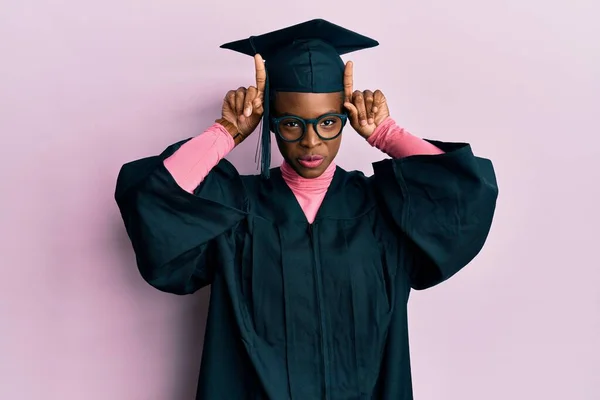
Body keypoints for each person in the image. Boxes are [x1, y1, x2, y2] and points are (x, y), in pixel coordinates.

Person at [115, 19, 498, 400]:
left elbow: (465, 196)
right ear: (272, 125)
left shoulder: (381, 208)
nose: (311, 140)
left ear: (346, 121)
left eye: (328, 122)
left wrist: (388, 135)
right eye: (292, 124)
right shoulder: (237, 208)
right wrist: (225, 132)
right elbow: (152, 198)